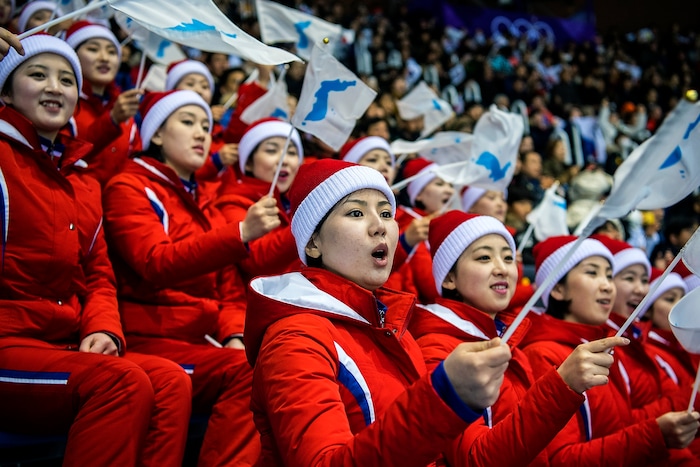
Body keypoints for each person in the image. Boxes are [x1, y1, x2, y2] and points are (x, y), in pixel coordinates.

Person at [0, 34, 191, 466]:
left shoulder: (83, 181)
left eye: (67, 79)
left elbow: (99, 273)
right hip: (8, 339)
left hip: (60, 342)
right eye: (37, 74)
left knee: (169, 381)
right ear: (6, 92)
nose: (55, 87)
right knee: (122, 382)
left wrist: (102, 330)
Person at [244, 159, 512, 466]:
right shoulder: (295, 338)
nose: (380, 225)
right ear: (313, 242)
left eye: (386, 213)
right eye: (356, 213)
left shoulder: (394, 326)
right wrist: (444, 398)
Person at [102, 90, 281, 466]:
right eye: (187, 122)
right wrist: (240, 234)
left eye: (205, 125)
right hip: (150, 338)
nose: (201, 133)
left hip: (197, 339)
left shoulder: (202, 200)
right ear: (155, 135)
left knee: (266, 362)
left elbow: (228, 291)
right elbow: (155, 262)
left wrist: (233, 335)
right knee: (252, 373)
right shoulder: (129, 186)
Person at [410, 211, 629, 466]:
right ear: (449, 278)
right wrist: (562, 386)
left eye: (507, 257)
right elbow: (476, 459)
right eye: (484, 257)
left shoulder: (510, 345)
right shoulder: (438, 349)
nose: (503, 268)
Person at [519, 235, 700, 465]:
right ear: (558, 289)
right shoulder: (544, 356)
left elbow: (620, 427)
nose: (607, 285)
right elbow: (558, 459)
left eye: (608, 274)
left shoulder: (601, 348)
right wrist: (656, 436)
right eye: (592, 273)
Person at [215, 117, 304, 282]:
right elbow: (256, 260)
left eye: (291, 152)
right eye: (271, 150)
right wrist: (307, 221)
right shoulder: (232, 202)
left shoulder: (295, 201)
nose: (284, 160)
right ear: (248, 162)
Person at [64, 20, 142, 185]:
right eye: (93, 49)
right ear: (73, 55)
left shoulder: (124, 108)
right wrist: (111, 120)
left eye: (112, 52)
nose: (105, 58)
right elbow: (65, 157)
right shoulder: (63, 102)